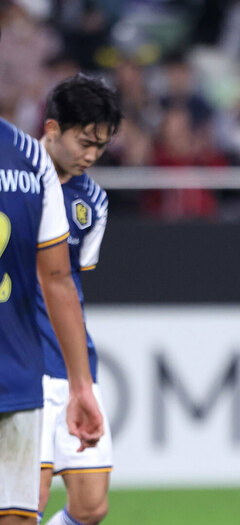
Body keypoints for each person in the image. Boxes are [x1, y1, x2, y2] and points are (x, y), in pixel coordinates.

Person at [0, 114, 103, 523]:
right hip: (20, 372)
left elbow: (60, 282)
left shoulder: (33, 158)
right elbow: (57, 278)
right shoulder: (30, 159)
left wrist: (79, 383)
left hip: (21, 377)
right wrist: (81, 386)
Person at [32, 75, 120, 525]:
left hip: (72, 364)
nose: (91, 154)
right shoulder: (15, 186)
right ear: (51, 128)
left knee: (91, 506)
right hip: (22, 360)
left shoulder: (93, 201)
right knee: (29, 499)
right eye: (84, 141)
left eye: (100, 147)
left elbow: (71, 284)